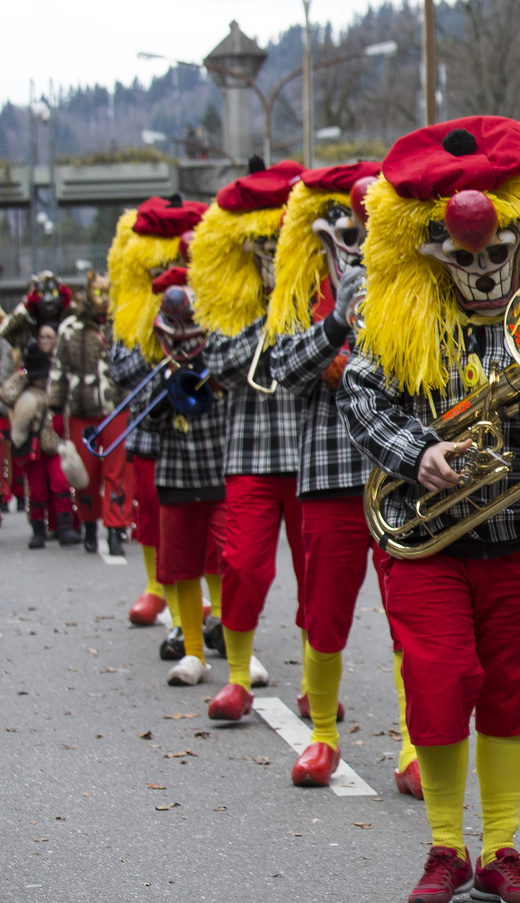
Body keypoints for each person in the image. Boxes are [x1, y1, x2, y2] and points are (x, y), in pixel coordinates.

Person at [340, 117, 520, 903]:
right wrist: (415, 454)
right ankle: (445, 846)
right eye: (463, 258)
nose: (482, 271)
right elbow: (361, 393)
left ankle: (501, 848)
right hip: (427, 539)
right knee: (438, 680)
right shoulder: (396, 313)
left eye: (497, 255)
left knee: (514, 689)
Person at [265, 160, 422, 792]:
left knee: (409, 614)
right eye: (339, 227)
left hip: (395, 474)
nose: (350, 239)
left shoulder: (410, 281)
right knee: (325, 613)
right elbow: (282, 366)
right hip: (328, 476)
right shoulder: (299, 293)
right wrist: (336, 323)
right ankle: (323, 737)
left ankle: (415, 748)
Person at [194, 159, 306, 722]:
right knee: (241, 565)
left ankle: (317, 678)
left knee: (321, 580)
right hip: (251, 455)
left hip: (312, 458)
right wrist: (275, 323)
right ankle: (237, 678)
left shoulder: (322, 294)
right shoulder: (230, 303)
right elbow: (221, 364)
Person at [113, 268, 231, 686]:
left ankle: (235, 649)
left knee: (228, 560)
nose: (182, 343)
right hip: (175, 480)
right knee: (181, 566)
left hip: (219, 477)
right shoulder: (157, 371)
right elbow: (145, 423)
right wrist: (165, 392)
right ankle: (194, 652)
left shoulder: (220, 364)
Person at [107, 196, 210, 644]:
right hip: (151, 432)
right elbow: (120, 373)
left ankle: (209, 602)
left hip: (206, 432)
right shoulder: (132, 313)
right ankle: (157, 589)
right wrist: (154, 339)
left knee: (210, 521)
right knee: (152, 515)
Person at [52, 270, 133, 555]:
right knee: (85, 473)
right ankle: (88, 525)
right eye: (98, 292)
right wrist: (55, 408)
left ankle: (116, 529)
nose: (103, 298)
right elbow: (59, 371)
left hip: (116, 407)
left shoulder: (124, 325)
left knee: (118, 470)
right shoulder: (71, 328)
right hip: (82, 408)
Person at [1, 326, 81, 548]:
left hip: (55, 445)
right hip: (33, 447)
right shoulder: (23, 388)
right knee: (36, 490)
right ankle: (38, 530)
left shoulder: (56, 385)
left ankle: (64, 528)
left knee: (60, 483)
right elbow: (5, 394)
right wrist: (23, 375)